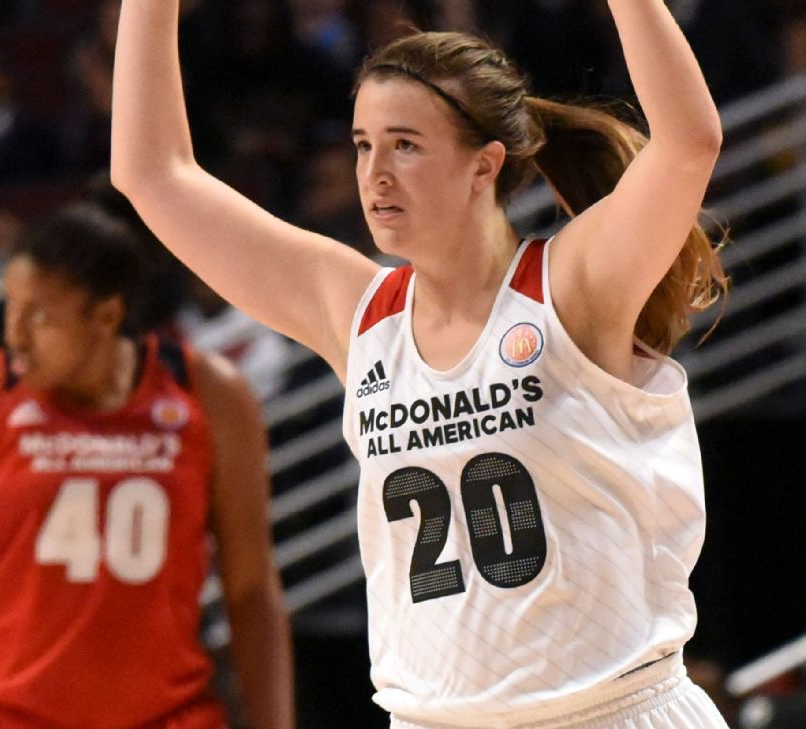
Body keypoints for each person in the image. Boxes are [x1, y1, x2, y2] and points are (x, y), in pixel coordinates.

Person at [112, 0, 728, 726]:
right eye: (363, 144)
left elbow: (688, 143)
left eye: (405, 144)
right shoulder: (357, 313)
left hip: (612, 708)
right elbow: (153, 174)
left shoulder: (570, 285)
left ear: (483, 166)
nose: (375, 172)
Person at [0, 205, 293, 729]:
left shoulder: (211, 394)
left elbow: (251, 589)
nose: (15, 335)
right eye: (12, 307)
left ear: (106, 316)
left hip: (169, 716)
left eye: (40, 315)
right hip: (4, 716)